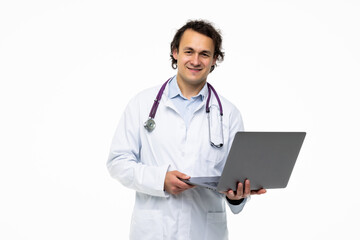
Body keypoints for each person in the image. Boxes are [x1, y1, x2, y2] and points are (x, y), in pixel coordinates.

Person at [107, 19, 266, 240]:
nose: (195, 60)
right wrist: (159, 179)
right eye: (188, 51)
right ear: (175, 53)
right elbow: (118, 162)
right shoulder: (142, 104)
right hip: (153, 230)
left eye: (204, 54)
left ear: (214, 60)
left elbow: (236, 175)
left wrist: (237, 196)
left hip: (205, 230)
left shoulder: (229, 114)